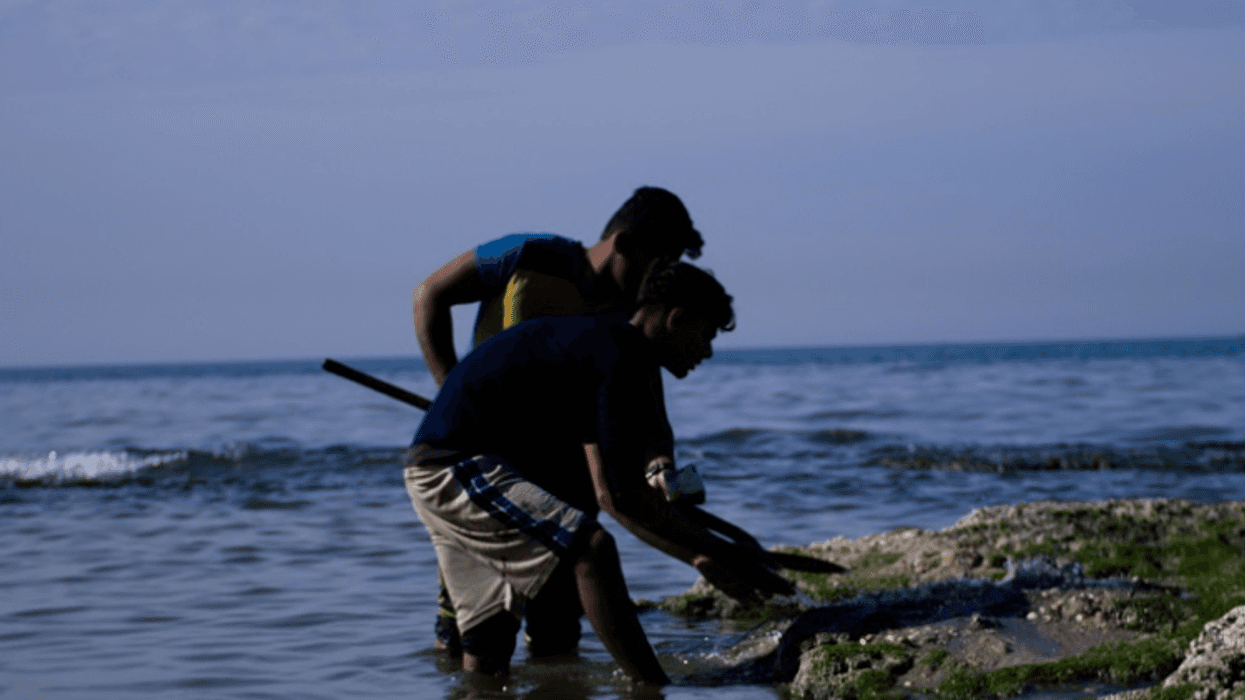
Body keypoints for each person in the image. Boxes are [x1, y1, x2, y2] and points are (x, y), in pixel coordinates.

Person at [403, 262, 794, 683]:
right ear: (676, 319)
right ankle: (651, 688)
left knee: (487, 658)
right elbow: (623, 499)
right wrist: (724, 553)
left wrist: (704, 553)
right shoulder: (618, 354)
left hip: (448, 471)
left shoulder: (609, 348)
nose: (708, 351)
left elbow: (611, 494)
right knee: (592, 549)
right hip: (455, 466)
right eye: (707, 335)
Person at [411, 186, 705, 654]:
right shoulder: (528, 256)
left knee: (558, 634)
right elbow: (429, 295)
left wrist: (659, 462)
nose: (662, 276)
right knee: (471, 637)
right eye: (660, 261)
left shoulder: (630, 314)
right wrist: (448, 390)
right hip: (489, 470)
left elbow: (649, 400)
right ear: (624, 244)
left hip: (567, 472)